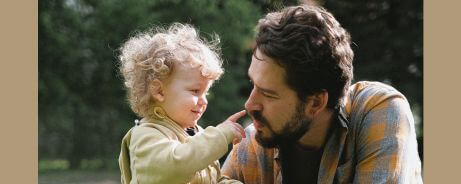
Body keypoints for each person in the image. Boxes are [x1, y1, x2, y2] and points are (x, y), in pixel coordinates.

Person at [222, 4, 423, 184]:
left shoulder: (380, 111)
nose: (250, 104)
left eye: (269, 94)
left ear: (316, 103)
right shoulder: (253, 145)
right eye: (253, 84)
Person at [117, 23, 245, 184]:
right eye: (195, 91)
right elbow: (176, 165)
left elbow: (212, 180)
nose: (204, 100)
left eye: (206, 92)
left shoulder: (198, 135)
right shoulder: (146, 136)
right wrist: (219, 135)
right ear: (159, 91)